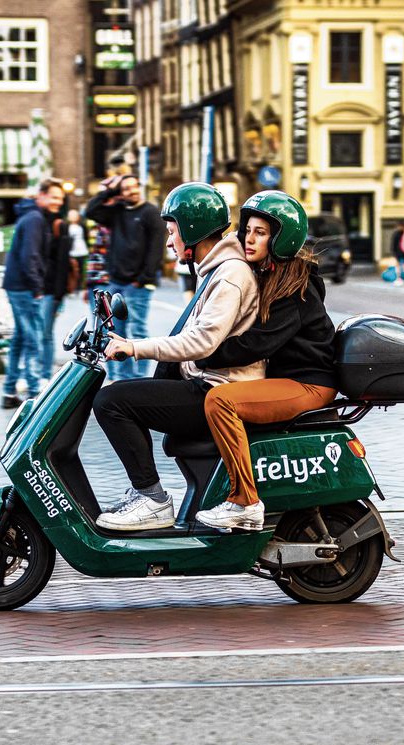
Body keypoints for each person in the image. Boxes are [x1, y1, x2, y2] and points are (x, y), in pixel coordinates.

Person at [93, 182, 261, 531]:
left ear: (193, 231)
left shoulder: (230, 275)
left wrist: (134, 346)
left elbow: (203, 342)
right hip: (206, 384)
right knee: (128, 396)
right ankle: (148, 495)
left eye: (173, 232)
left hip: (216, 391)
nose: (169, 242)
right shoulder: (218, 269)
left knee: (112, 402)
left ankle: (152, 500)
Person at [192, 191, 338, 532]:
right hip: (291, 379)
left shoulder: (295, 287)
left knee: (221, 401)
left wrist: (204, 353)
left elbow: (257, 343)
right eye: (247, 230)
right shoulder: (268, 275)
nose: (248, 238)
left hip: (310, 384)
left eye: (260, 232)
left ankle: (245, 502)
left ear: (281, 237)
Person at [83, 174, 166, 381]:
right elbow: (91, 211)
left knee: (137, 329)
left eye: (135, 186)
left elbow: (156, 248)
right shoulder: (117, 212)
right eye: (126, 188)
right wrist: (111, 191)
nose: (132, 191)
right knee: (115, 331)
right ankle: (120, 378)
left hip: (137, 283)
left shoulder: (150, 213)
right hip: (116, 281)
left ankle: (138, 378)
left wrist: (144, 278)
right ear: (121, 193)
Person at [0, 179, 66, 408]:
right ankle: (35, 393)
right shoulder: (35, 219)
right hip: (25, 287)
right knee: (34, 338)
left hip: (17, 284)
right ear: (42, 195)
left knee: (20, 338)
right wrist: (37, 287)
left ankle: (9, 391)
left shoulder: (31, 217)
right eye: (54, 197)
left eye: (61, 198)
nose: (58, 202)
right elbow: (31, 256)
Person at [36, 200, 74, 379]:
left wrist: (59, 293)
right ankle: (40, 372)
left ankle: (44, 374)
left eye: (59, 198)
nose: (55, 202)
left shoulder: (59, 225)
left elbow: (62, 262)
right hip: (40, 288)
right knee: (40, 332)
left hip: (50, 289)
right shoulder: (39, 223)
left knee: (45, 332)